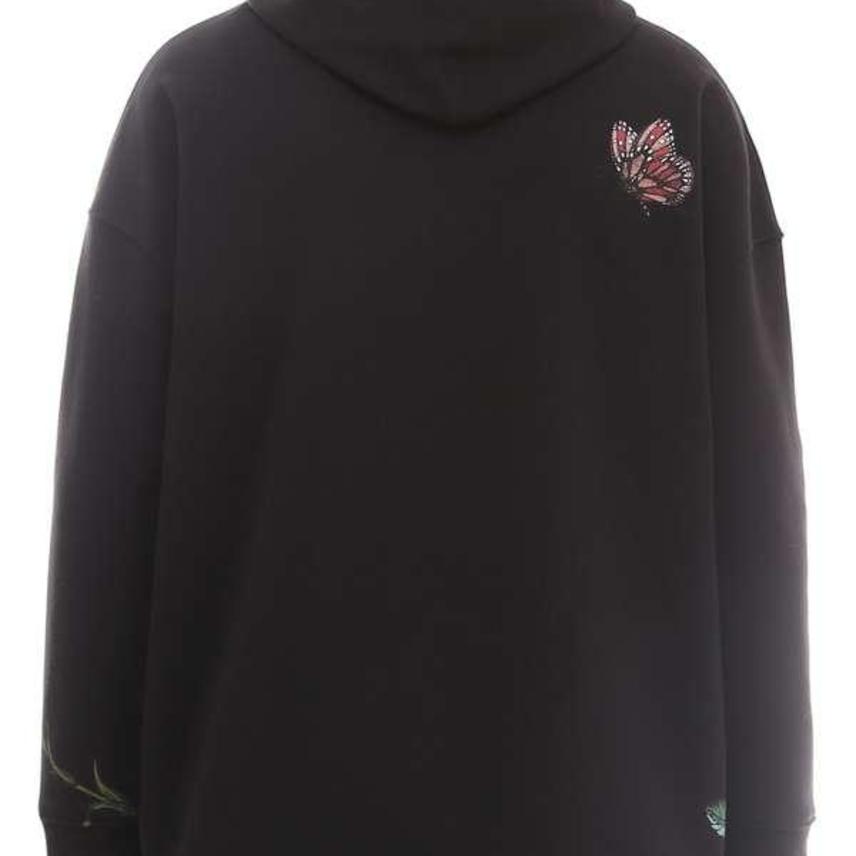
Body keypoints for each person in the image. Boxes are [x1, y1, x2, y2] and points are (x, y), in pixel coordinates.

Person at [39, 2, 815, 855]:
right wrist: (771, 825)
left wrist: (86, 827)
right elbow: (759, 534)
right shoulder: (678, 103)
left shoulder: (190, 101)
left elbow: (105, 525)